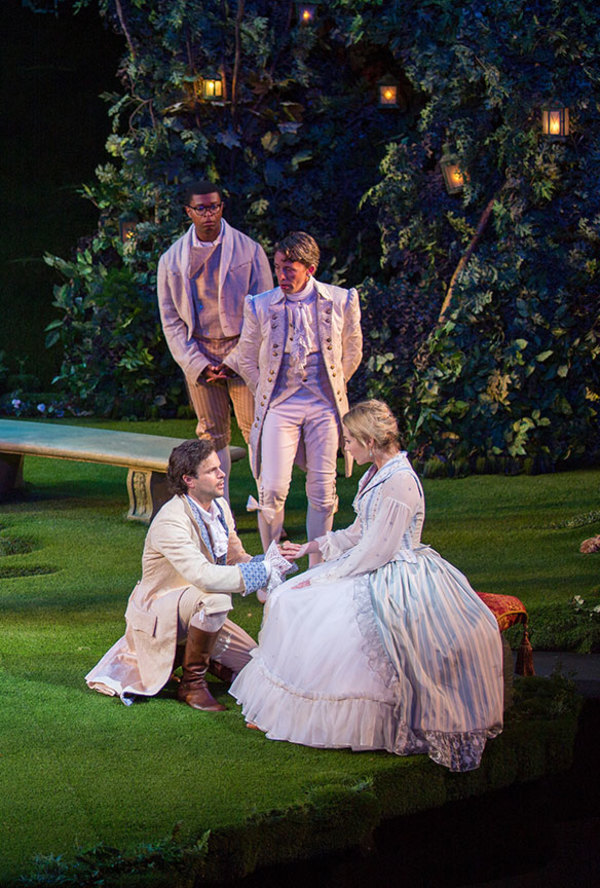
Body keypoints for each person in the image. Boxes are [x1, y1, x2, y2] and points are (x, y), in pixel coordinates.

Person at [230, 400, 505, 771]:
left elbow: (377, 551)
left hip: (397, 573)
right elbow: (359, 533)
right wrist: (312, 547)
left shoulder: (400, 483)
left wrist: (325, 576)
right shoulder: (376, 473)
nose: (346, 448)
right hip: (369, 561)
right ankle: (280, 708)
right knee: (285, 598)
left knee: (310, 606)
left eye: (349, 441)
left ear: (370, 441)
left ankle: (341, 720)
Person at [86, 439, 288, 712]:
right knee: (215, 599)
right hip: (162, 609)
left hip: (195, 607)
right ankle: (192, 685)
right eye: (212, 470)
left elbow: (235, 557)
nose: (222, 474)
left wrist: (272, 561)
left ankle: (181, 655)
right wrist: (258, 574)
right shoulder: (171, 520)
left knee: (254, 668)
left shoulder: (220, 508)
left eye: (219, 467)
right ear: (189, 480)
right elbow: (202, 576)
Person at [227, 231, 362, 563]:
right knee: (271, 488)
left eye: (290, 269)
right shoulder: (260, 305)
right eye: (279, 268)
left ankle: (317, 570)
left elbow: (352, 350)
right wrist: (266, 394)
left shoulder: (341, 300)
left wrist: (335, 384)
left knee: (322, 489)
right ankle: (273, 569)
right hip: (280, 405)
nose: (282, 276)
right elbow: (246, 358)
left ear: (310, 269)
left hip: (323, 406)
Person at [157, 180, 273, 500]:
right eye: (201, 208)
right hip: (200, 351)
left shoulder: (249, 250)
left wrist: (237, 359)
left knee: (258, 431)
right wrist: (197, 363)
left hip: (242, 350)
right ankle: (218, 513)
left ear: (222, 207)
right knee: (211, 436)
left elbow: (264, 310)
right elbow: (171, 320)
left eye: (215, 206)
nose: (209, 214)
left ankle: (270, 509)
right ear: (188, 212)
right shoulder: (171, 260)